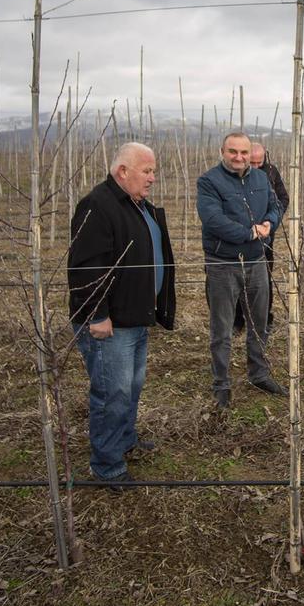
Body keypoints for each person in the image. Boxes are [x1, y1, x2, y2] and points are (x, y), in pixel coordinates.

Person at [68, 142, 176, 486]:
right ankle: (107, 465)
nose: (153, 178)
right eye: (147, 171)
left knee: (130, 387)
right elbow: (86, 267)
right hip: (109, 324)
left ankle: (124, 440)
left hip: (135, 317)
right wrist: (97, 314)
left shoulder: (136, 205)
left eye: (153, 171)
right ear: (122, 171)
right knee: (111, 393)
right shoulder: (97, 206)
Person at [198, 131, 287, 409]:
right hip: (223, 263)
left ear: (251, 154)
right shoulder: (209, 181)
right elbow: (213, 220)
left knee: (259, 323)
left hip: (257, 261)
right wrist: (251, 233)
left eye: (244, 152)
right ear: (222, 151)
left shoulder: (261, 178)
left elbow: (276, 206)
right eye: (233, 152)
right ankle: (221, 384)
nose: (239, 157)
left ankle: (258, 373)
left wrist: (269, 225)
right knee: (222, 329)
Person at [234, 142, 288, 331]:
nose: (256, 166)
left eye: (260, 162)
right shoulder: (235, 173)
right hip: (239, 238)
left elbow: (283, 199)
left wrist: (269, 223)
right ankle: (237, 321)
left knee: (264, 281)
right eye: (253, 162)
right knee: (236, 282)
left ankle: (264, 320)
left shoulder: (271, 172)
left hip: (265, 239)